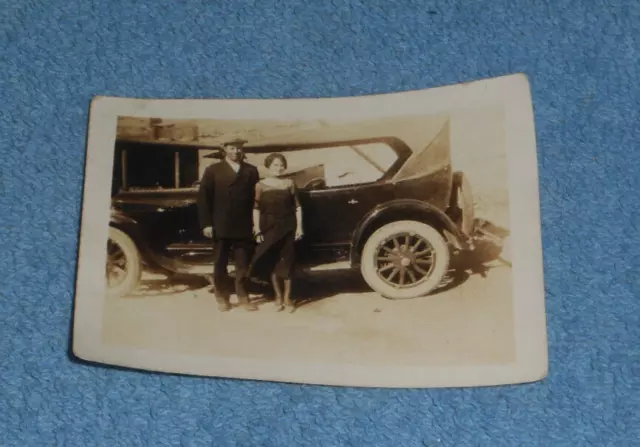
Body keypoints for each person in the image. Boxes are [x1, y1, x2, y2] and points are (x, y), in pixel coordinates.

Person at [196, 138, 260, 312]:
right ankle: (222, 296)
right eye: (232, 148)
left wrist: (256, 223)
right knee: (220, 263)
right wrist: (207, 224)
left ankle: (242, 295)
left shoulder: (251, 171)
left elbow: (256, 200)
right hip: (220, 225)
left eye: (239, 148)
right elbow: (203, 199)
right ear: (224, 149)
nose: (236, 151)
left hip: (244, 225)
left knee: (243, 263)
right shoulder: (213, 170)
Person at [249, 153, 304, 312]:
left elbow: (298, 207)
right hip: (268, 227)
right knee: (272, 263)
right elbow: (256, 208)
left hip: (288, 226)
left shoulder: (289, 183)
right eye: (275, 165)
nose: (278, 168)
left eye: (281, 165)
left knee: (287, 263)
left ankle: (288, 299)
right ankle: (278, 298)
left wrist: (299, 227)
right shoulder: (260, 185)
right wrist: (257, 229)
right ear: (268, 167)